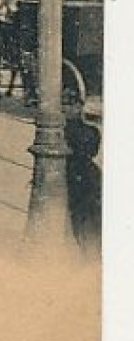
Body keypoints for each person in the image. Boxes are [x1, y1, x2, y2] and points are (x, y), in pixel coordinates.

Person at [65, 108, 102, 255]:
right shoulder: (91, 132)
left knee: (82, 217)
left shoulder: (68, 131)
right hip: (87, 175)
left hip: (78, 176)